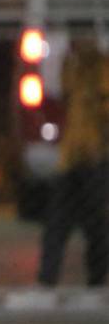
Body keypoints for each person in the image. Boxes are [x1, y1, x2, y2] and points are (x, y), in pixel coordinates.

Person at [35, 45, 109, 299]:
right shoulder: (70, 61)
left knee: (96, 224)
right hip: (72, 156)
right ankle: (47, 282)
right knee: (58, 222)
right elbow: (62, 96)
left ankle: (96, 281)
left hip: (94, 155)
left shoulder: (99, 65)